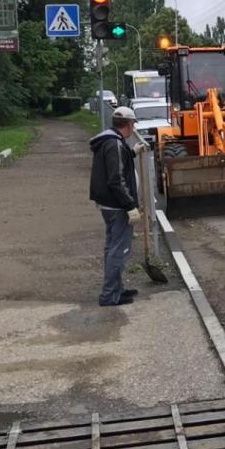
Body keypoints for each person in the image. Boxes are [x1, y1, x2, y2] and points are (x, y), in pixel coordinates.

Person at [89, 106, 149, 307]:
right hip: (117, 206)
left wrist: (132, 153)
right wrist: (130, 205)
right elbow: (116, 179)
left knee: (112, 248)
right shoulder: (114, 143)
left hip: (109, 204)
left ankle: (117, 289)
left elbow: (116, 163)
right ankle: (109, 295)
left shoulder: (110, 141)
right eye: (133, 124)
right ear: (129, 124)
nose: (133, 128)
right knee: (118, 250)